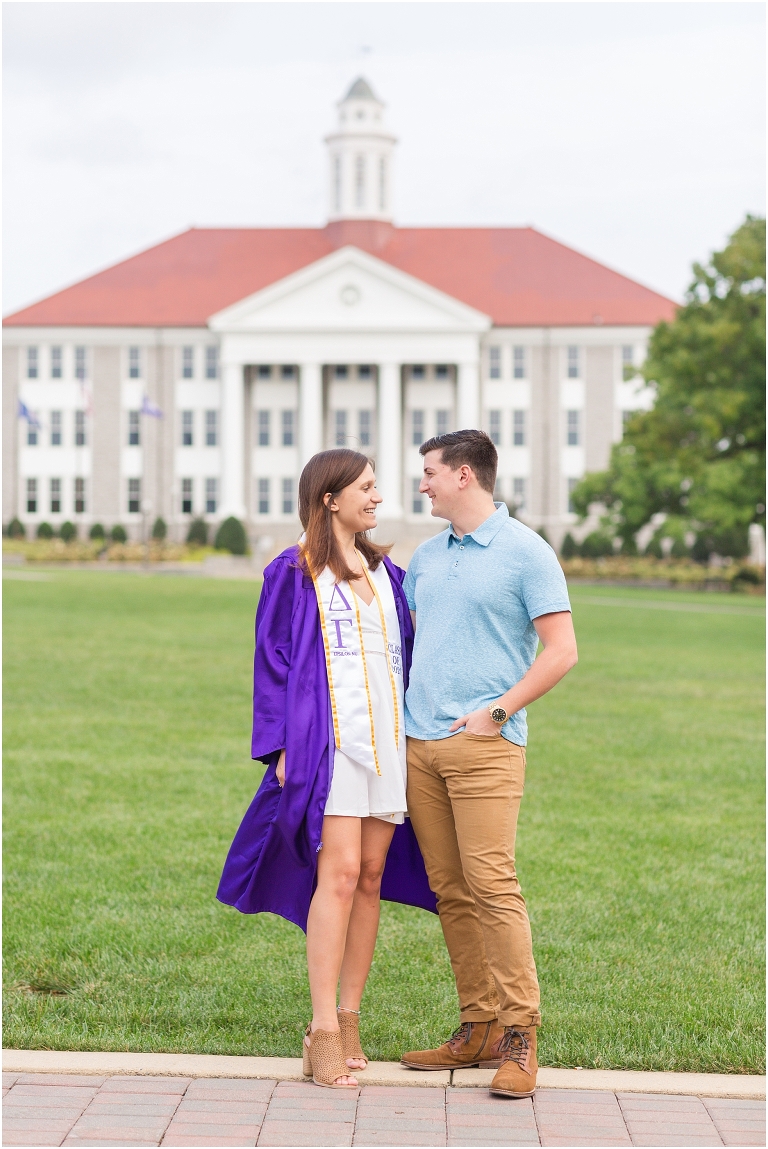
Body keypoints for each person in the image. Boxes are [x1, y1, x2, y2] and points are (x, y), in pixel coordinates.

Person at [217, 449, 435, 1090]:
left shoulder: (386, 573)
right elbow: (272, 660)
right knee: (337, 877)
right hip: (330, 746)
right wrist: (281, 747)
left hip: (386, 745)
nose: (378, 498)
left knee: (369, 877)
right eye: (366, 489)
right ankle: (322, 1032)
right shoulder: (294, 570)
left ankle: (351, 1014)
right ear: (330, 499)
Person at [400, 430, 578, 1099]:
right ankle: (476, 1025)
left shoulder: (526, 552)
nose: (423, 484)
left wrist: (497, 711)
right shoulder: (424, 556)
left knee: (493, 884)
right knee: (450, 890)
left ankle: (520, 1037)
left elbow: (561, 649)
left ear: (464, 475)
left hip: (486, 746)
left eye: (430, 472)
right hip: (420, 747)